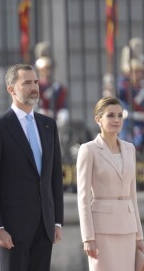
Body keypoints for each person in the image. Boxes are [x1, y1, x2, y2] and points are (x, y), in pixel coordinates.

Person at [0, 64, 64, 271]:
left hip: (44, 227)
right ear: (11, 89)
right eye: (26, 83)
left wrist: (57, 221)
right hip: (11, 229)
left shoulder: (48, 125)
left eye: (35, 82)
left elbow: (54, 177)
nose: (34, 87)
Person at [76, 96, 144, 271]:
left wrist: (139, 236)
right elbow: (83, 197)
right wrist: (88, 237)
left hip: (128, 230)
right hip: (102, 231)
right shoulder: (88, 150)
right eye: (111, 115)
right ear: (98, 119)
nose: (116, 120)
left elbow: (132, 196)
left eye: (120, 115)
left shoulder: (130, 149)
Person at [118, 58, 144, 151]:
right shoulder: (125, 87)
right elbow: (121, 100)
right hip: (128, 121)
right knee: (125, 139)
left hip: (141, 123)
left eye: (138, 72)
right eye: (133, 71)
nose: (135, 74)